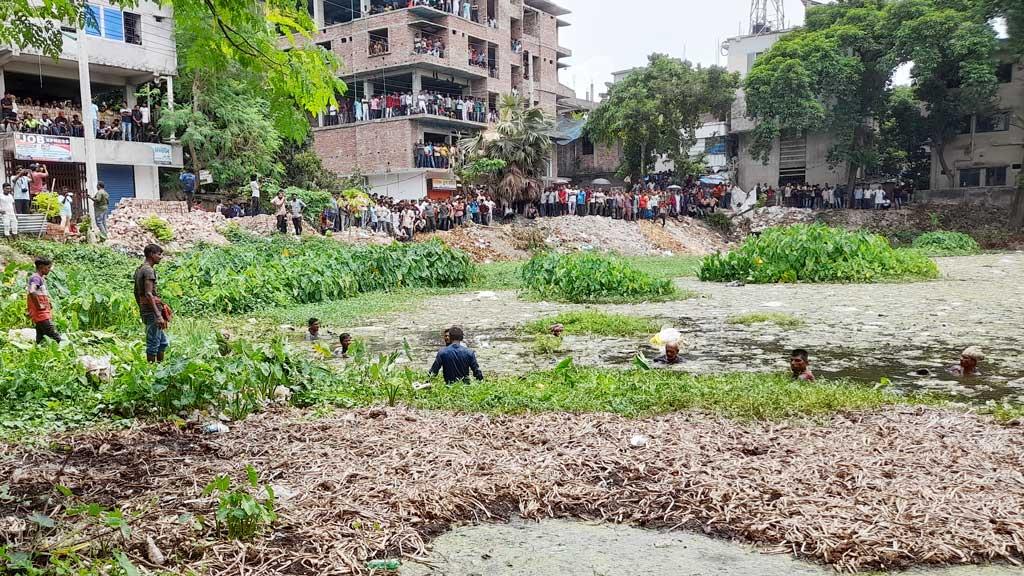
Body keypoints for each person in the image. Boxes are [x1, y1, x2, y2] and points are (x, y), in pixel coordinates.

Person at [135, 244, 169, 363]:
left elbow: (137, 293)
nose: (161, 257)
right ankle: (152, 371)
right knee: (153, 343)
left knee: (163, 342)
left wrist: (141, 308)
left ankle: (160, 368)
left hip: (147, 309)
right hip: (152, 311)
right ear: (151, 254)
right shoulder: (148, 271)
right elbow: (149, 294)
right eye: (158, 254)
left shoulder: (140, 269)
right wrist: (158, 315)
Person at [28, 258, 61, 344]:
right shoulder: (36, 278)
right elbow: (32, 291)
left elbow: (38, 294)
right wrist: (39, 305)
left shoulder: (39, 278)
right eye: (48, 267)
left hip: (41, 313)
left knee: (40, 338)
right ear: (42, 267)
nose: (49, 270)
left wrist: (47, 303)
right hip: (41, 313)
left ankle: (38, 353)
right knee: (55, 336)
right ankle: (67, 353)